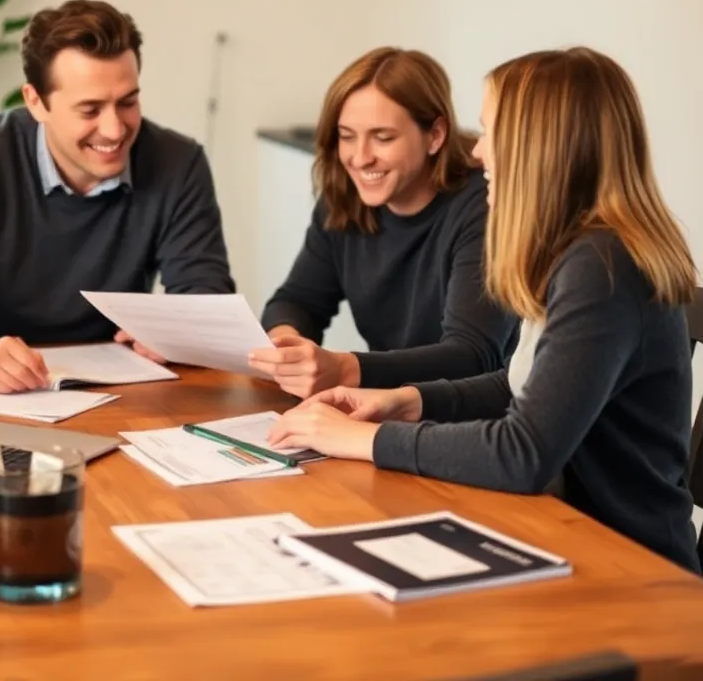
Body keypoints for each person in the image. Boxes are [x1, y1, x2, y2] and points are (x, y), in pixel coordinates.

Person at [269, 48, 701, 573]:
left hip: (626, 568)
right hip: (556, 536)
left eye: (491, 131)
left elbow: (523, 453)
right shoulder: (575, 249)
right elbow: (521, 385)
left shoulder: (603, 267)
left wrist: (365, 439)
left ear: (539, 146)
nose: (478, 153)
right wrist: (404, 402)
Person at [0, 0, 234, 393]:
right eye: (90, 110)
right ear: (36, 102)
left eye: (128, 102)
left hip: (119, 394)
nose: (115, 130)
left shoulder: (178, 162)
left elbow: (207, 306)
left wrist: (177, 335)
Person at [249, 47, 517, 399]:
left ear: (435, 135)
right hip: (385, 410)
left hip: (469, 423)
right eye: (347, 136)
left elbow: (471, 355)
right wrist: (287, 341)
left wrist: (346, 367)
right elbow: (298, 300)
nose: (360, 158)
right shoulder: (345, 196)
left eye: (383, 137)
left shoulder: (484, 204)